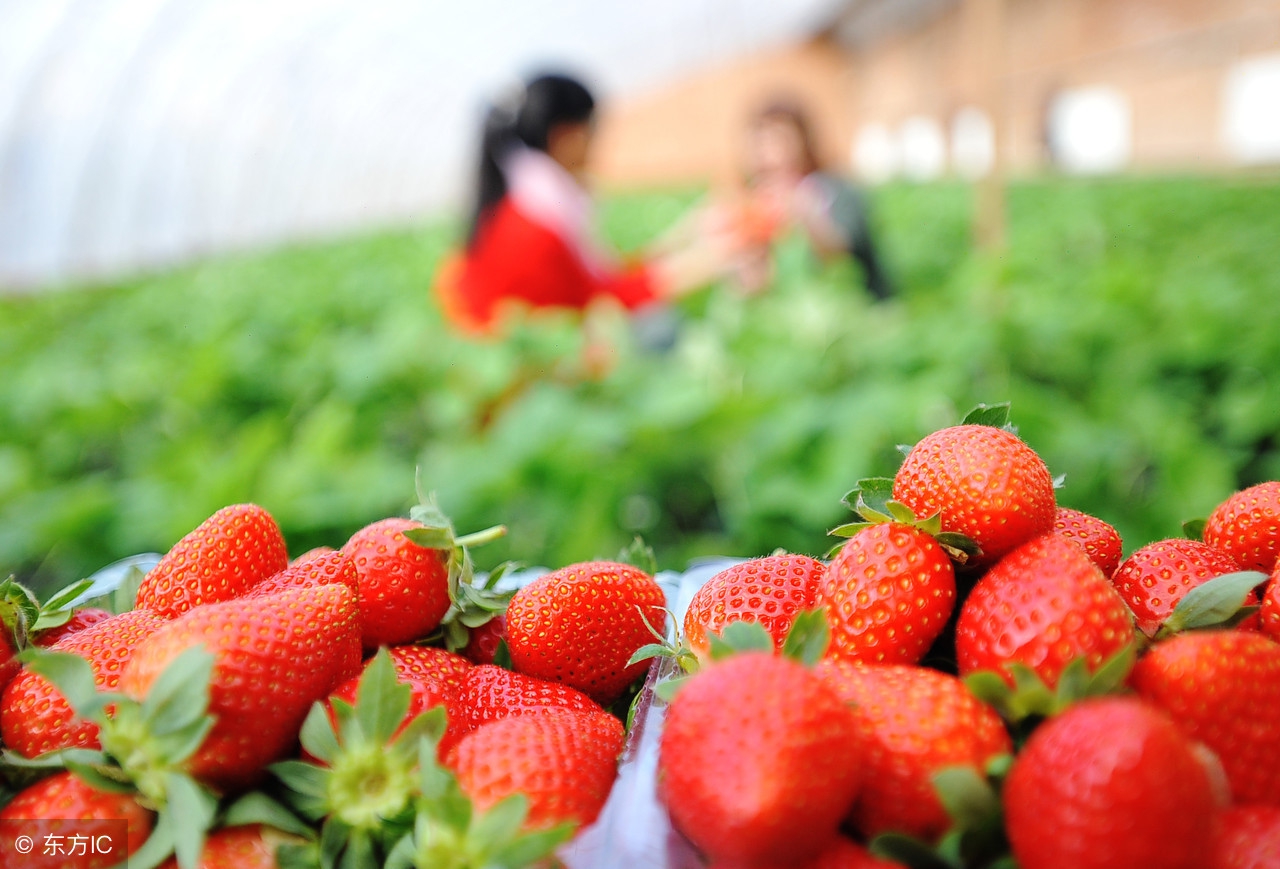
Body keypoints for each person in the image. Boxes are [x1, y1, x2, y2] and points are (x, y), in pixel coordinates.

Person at [436, 72, 728, 335]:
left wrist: (684, 237)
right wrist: (713, 258)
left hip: (528, 362)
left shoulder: (529, 202)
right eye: (591, 131)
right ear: (566, 137)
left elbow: (598, 277)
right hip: (529, 378)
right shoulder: (534, 224)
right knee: (659, 330)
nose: (596, 145)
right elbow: (600, 301)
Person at [736, 97, 893, 301]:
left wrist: (804, 214)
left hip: (859, 306)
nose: (768, 153)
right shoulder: (754, 202)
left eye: (778, 139)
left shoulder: (836, 188)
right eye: (760, 142)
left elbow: (842, 256)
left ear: (803, 141)